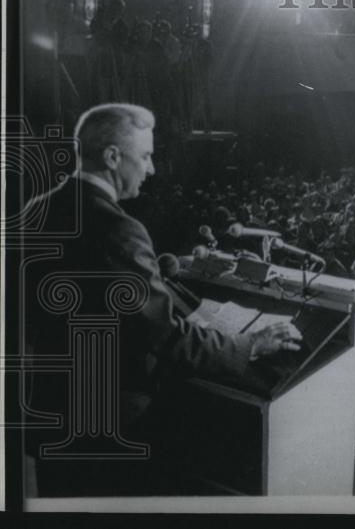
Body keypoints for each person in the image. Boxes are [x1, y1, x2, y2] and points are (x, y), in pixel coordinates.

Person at [23, 103, 302, 496]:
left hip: (52, 413)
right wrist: (249, 344)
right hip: (113, 428)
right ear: (112, 157)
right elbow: (166, 335)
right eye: (146, 156)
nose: (151, 169)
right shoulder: (118, 229)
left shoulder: (36, 211)